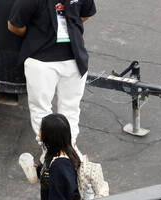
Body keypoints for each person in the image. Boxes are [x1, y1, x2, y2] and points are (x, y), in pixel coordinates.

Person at [8, 0, 97, 147]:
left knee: (41, 109)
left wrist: (36, 36)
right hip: (74, 58)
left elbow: (15, 26)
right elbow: (85, 15)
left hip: (41, 61)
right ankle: (69, 151)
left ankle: (50, 151)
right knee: (70, 109)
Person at [38, 113, 81, 200]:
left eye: (41, 129)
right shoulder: (61, 152)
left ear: (50, 136)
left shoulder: (59, 166)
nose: (39, 132)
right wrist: (39, 169)